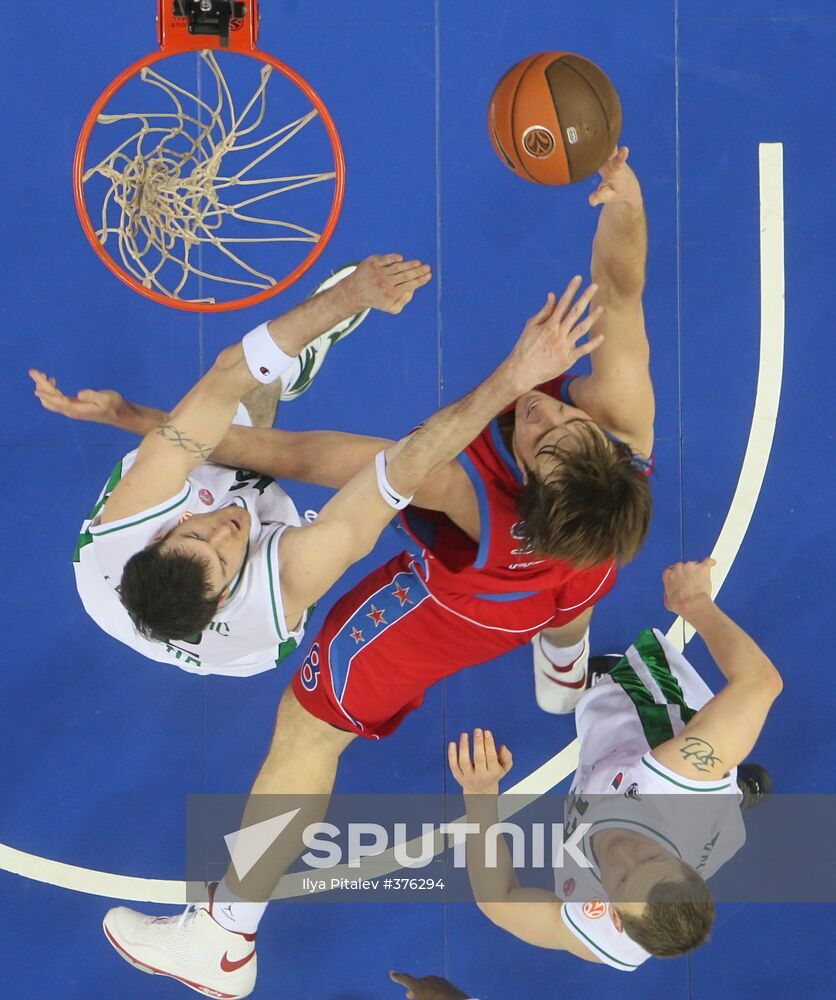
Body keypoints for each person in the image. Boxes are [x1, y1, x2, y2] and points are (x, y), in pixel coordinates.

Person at [92, 151, 656, 1000]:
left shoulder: (467, 490)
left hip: (454, 614)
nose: (542, 410)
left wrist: (163, 434)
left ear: (530, 492)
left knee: (310, 731)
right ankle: (564, 665)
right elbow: (622, 291)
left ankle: (225, 936)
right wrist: (626, 207)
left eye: (539, 439)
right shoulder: (622, 449)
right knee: (573, 594)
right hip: (576, 580)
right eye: (559, 420)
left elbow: (308, 457)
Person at [30, 255, 433, 676]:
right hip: (247, 640)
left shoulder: (130, 523)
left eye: (197, 532)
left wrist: (347, 297)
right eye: (221, 558)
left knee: (237, 414)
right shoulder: (275, 590)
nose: (224, 529)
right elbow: (392, 476)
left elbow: (226, 376)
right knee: (361, 467)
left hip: (107, 583)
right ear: (224, 596)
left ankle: (286, 372)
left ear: (159, 537)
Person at [448, 559, 781, 970]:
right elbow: (760, 684)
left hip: (642, 792)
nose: (623, 853)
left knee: (711, 795)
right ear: (679, 862)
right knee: (703, 762)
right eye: (649, 858)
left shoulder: (602, 934)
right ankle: (732, 787)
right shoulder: (678, 777)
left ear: (616, 918)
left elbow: (499, 902)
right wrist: (694, 602)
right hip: (659, 737)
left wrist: (479, 797)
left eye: (622, 880)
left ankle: (734, 791)